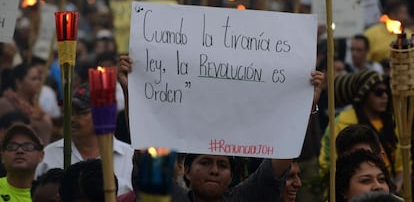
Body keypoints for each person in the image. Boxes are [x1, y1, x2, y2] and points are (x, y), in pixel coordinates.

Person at [117, 55, 325, 201]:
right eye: (206, 163)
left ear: (232, 176)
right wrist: (131, 92)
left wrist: (305, 106)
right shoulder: (171, 197)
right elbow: (146, 153)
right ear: (187, 171)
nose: (214, 171)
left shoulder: (244, 198)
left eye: (222, 165)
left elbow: (283, 155)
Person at [35, 83, 134, 195]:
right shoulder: (49, 155)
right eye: (68, 112)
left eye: (80, 112)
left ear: (101, 114)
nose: (71, 119)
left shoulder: (129, 158)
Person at [319, 70, 403, 191]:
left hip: (387, 188)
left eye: (387, 92)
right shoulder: (341, 123)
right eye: (378, 92)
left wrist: (399, 181)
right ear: (363, 93)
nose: (385, 96)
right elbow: (328, 164)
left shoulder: (392, 122)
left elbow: (401, 159)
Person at [0, 62, 53, 144]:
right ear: (18, 82)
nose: (38, 83)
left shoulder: (36, 105)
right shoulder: (6, 103)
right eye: (34, 79)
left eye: (39, 79)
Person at [0, 124, 45, 202]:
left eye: (28, 147)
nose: (19, 151)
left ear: (41, 155)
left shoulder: (50, 195)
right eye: (12, 146)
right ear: (2, 156)